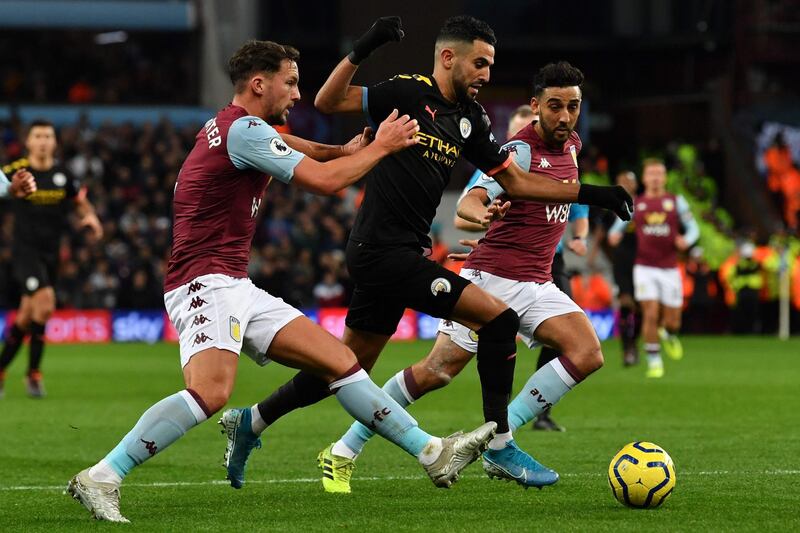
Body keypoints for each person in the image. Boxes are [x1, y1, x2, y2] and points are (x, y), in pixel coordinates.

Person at [66, 39, 497, 524]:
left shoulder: (232, 126)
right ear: (259, 83)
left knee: (341, 361)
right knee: (210, 392)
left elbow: (298, 147)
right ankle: (102, 475)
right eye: (290, 83)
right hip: (203, 284)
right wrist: (380, 146)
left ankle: (432, 452)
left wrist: (341, 149)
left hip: (234, 284)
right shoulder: (245, 131)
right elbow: (328, 182)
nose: (297, 94)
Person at [218, 16, 632, 492]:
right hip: (380, 249)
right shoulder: (407, 92)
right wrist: (364, 45)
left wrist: (595, 194)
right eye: (480, 62)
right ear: (448, 57)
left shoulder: (471, 119)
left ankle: (250, 422)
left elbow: (515, 182)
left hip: (401, 251)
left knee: (342, 369)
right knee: (497, 322)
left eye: (491, 65)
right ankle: (500, 444)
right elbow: (329, 101)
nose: (486, 74)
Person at [309, 59, 603, 493]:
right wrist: (481, 216)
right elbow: (472, 199)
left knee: (587, 352)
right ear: (536, 105)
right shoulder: (518, 152)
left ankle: (501, 442)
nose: (564, 116)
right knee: (436, 372)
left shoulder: (573, 147)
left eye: (573, 106)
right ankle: (342, 450)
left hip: (537, 282)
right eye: (555, 106)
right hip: (493, 280)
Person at [458, 103, 589, 432]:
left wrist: (580, 236)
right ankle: (350, 443)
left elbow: (576, 205)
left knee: (581, 347)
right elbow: (466, 211)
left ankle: (511, 429)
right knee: (439, 370)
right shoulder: (509, 156)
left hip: (543, 268)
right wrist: (486, 228)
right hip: (496, 271)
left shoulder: (569, 150)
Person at [0, 120, 102, 398]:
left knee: (25, 317)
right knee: (45, 306)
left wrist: (90, 216)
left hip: (51, 254)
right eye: (38, 136)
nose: (43, 140)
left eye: (48, 135)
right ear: (28, 142)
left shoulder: (62, 175)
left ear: (55, 142)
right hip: (25, 252)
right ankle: (33, 375)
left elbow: (80, 201)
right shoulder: (15, 171)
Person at [609, 158, 699, 378]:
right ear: (645, 178)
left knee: (673, 321)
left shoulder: (676, 202)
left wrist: (686, 240)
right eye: (651, 174)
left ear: (665, 177)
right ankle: (654, 361)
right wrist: (614, 234)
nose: (656, 178)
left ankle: (668, 332)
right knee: (649, 312)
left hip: (669, 268)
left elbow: (693, 228)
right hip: (645, 267)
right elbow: (618, 226)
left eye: (659, 173)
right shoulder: (636, 203)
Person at [588, 170, 640, 365]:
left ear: (635, 185)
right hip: (621, 263)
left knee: (640, 307)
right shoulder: (611, 206)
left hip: (643, 263)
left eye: (628, 181)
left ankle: (634, 343)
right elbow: (601, 233)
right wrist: (594, 254)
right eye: (621, 181)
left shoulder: (643, 206)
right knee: (626, 303)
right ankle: (627, 348)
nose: (625, 184)